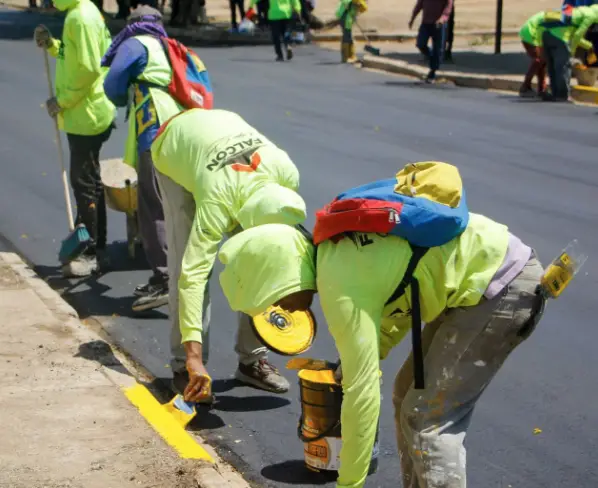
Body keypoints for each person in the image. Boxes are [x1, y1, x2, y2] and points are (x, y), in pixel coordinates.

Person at [214, 174, 547, 488]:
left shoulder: (339, 284)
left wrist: (350, 483)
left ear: (280, 275)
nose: (283, 310)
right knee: (406, 394)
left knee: (427, 417)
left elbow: (363, 394)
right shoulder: (334, 248)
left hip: (503, 286)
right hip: (479, 284)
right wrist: (358, 363)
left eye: (274, 299)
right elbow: (396, 305)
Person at [149, 108, 307, 398]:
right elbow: (192, 277)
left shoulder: (287, 177)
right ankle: (186, 368)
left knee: (261, 265)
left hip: (220, 127)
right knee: (186, 261)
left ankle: (251, 361)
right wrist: (193, 355)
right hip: (174, 143)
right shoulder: (217, 203)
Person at [101, 6, 177, 312]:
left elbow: (113, 82)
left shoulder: (136, 43)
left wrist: (122, 100)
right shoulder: (165, 45)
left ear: (133, 24)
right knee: (173, 203)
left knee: (151, 203)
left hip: (153, 124)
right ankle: (177, 273)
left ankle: (165, 277)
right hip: (176, 122)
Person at [34, 0, 116, 277]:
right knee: (90, 179)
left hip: (86, 113)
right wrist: (53, 46)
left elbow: (89, 69)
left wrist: (63, 101)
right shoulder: (84, 11)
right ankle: (97, 243)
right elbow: (76, 59)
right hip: (91, 109)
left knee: (83, 183)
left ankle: (90, 252)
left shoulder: (78, 18)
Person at [541, 4, 598, 101]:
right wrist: (571, 53)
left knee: (553, 66)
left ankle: (555, 93)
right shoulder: (591, 16)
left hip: (546, 34)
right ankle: (562, 96)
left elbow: (576, 37)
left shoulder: (583, 10)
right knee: (563, 66)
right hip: (560, 36)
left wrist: (589, 46)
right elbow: (577, 36)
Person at [408, 0, 454, 83]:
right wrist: (412, 18)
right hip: (426, 23)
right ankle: (431, 57)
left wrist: (442, 19)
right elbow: (419, 5)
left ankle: (432, 73)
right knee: (420, 44)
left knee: (437, 49)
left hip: (439, 25)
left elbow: (448, 8)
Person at [518, 11, 547, 97]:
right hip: (530, 33)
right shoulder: (561, 20)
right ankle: (525, 87)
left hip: (534, 33)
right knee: (538, 60)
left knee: (542, 61)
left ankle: (542, 89)